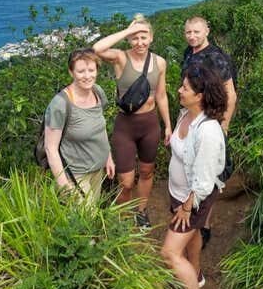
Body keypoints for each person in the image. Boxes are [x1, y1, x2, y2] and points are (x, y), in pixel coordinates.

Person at [93, 14, 172, 228]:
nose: (140, 42)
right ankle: (124, 218)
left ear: (151, 38)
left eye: (144, 37)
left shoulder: (160, 62)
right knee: (126, 182)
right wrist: (128, 30)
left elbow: (162, 96)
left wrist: (168, 126)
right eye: (135, 38)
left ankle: (141, 211)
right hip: (125, 125)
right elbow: (97, 49)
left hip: (150, 124)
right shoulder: (120, 58)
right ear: (129, 39)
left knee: (147, 172)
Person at [161, 63, 227, 289]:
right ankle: (195, 274)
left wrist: (188, 207)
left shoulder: (208, 131)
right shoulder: (186, 114)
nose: (179, 90)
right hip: (178, 192)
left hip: (193, 199)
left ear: (199, 96)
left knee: (169, 253)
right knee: (193, 234)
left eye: (185, 88)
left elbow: (205, 182)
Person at [181, 16, 237, 247]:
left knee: (209, 173)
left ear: (207, 31)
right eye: (188, 32)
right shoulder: (189, 52)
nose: (192, 36)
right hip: (191, 117)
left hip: (209, 120)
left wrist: (223, 125)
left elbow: (230, 94)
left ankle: (204, 224)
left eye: (197, 32)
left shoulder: (216, 57)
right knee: (192, 167)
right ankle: (195, 214)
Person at [44, 48, 115, 206]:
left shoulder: (97, 92)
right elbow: (50, 148)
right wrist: (65, 185)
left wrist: (108, 158)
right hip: (76, 174)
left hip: (98, 168)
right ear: (71, 72)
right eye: (81, 71)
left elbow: (100, 128)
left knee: (94, 211)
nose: (87, 76)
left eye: (91, 70)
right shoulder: (60, 104)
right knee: (84, 220)